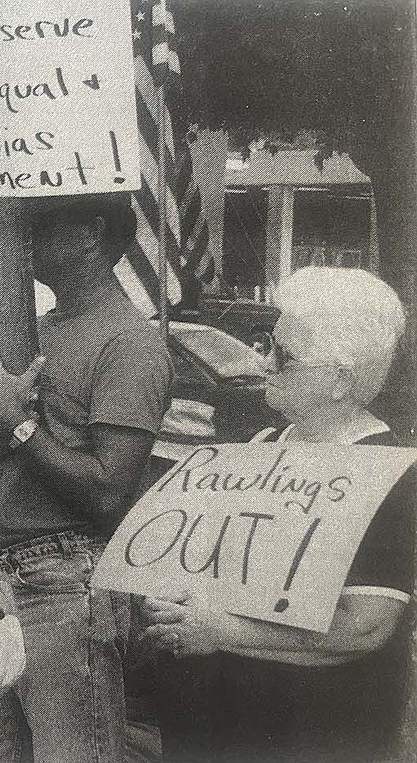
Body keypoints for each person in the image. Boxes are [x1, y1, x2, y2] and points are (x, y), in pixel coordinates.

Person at [0, 194, 173, 763]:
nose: (24, 241)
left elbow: (110, 491)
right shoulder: (29, 334)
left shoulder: (129, 343)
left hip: (62, 586)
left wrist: (19, 429)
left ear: (89, 236)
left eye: (43, 227)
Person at [144, 266, 413, 763]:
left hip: (324, 734)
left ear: (339, 379)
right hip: (230, 725)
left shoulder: (390, 473)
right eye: (265, 342)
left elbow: (365, 626)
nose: (258, 359)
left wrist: (221, 631)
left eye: (281, 354)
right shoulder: (262, 447)